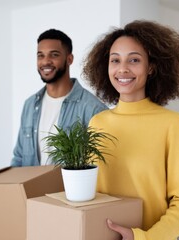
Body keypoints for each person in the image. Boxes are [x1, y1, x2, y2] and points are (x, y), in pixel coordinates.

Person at [82, 20, 179, 240]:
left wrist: (144, 237)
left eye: (134, 60)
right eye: (115, 60)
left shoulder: (173, 124)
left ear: (151, 67)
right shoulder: (97, 123)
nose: (123, 68)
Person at [11, 29, 107, 167]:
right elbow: (19, 159)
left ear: (69, 59)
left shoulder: (93, 108)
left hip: (67, 189)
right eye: (40, 56)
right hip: (29, 189)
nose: (45, 61)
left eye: (54, 55)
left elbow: (98, 165)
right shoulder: (30, 105)